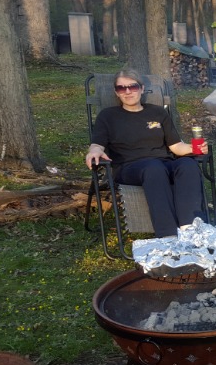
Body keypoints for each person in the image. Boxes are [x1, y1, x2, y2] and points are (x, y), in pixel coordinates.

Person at [85, 68, 208, 238]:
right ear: (116, 92)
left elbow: (176, 146)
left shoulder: (158, 112)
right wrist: (94, 152)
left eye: (132, 87)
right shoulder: (108, 116)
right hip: (128, 167)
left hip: (162, 163)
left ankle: (191, 229)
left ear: (142, 89)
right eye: (121, 88)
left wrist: (195, 148)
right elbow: (97, 144)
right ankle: (168, 235)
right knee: (154, 168)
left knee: (188, 164)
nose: (127, 91)